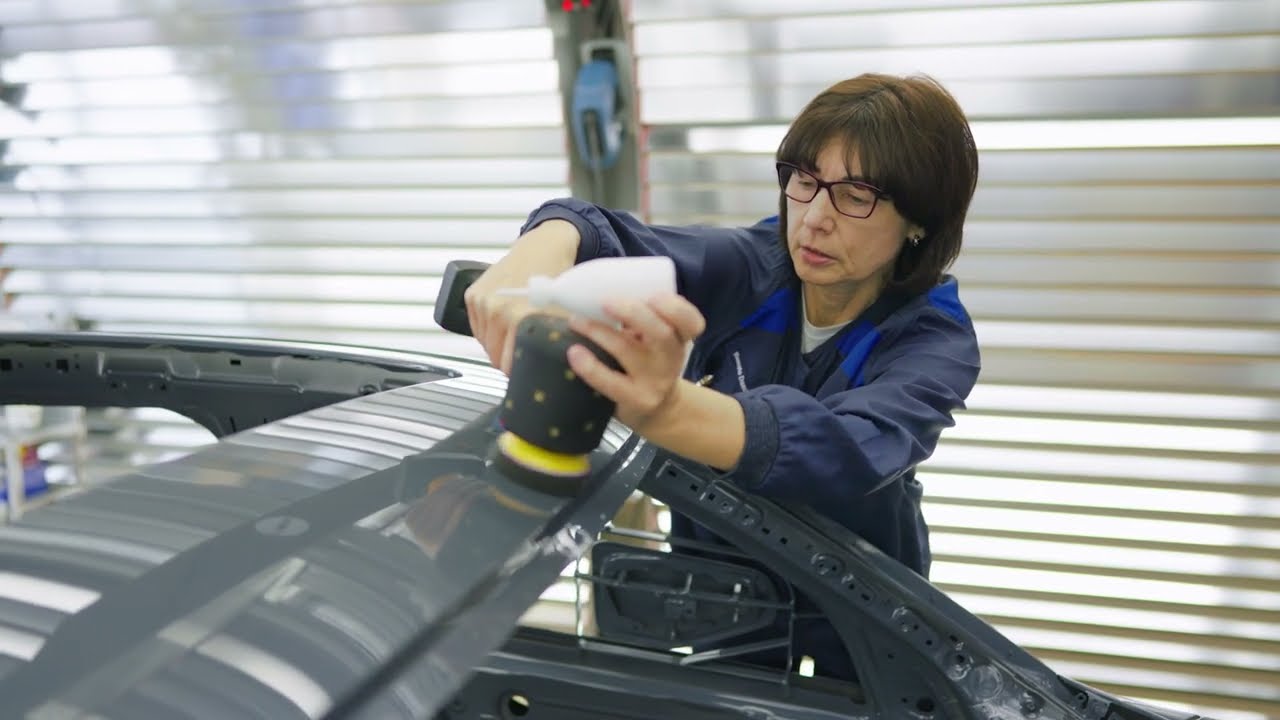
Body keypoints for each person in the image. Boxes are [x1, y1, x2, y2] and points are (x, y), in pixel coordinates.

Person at [464, 72, 981, 680]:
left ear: (920, 219)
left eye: (856, 194)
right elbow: (603, 232)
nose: (813, 219)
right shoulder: (755, 267)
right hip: (724, 592)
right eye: (804, 181)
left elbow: (848, 451)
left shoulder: (934, 340)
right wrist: (533, 261)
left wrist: (667, 410)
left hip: (864, 602)